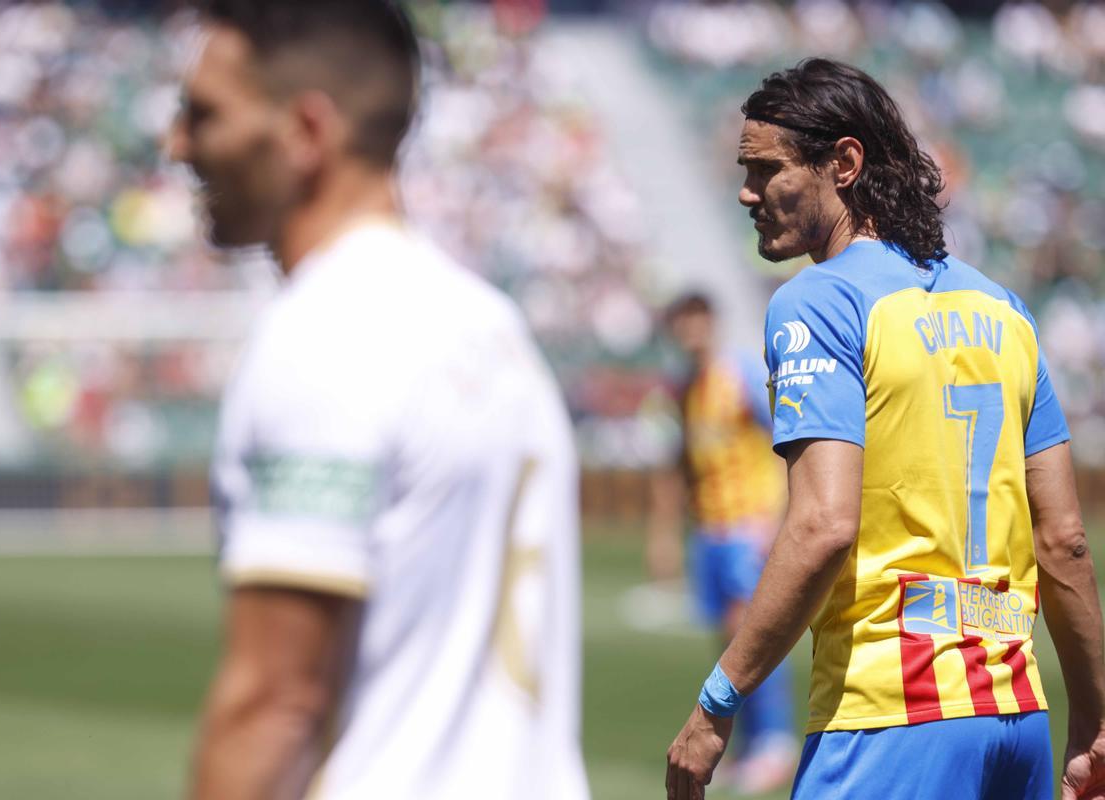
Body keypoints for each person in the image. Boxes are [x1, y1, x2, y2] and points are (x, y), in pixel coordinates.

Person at [170, 3, 589, 799]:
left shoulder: (327, 333)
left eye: (204, 115)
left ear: (304, 130)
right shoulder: (488, 325)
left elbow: (275, 702)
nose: (178, 144)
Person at [665, 58, 1105, 800]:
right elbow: (1063, 541)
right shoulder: (1005, 311)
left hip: (892, 715)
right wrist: (1093, 724)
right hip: (1017, 717)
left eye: (766, 170)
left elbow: (823, 526)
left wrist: (716, 706)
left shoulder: (818, 302)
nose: (747, 193)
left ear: (843, 163)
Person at [646, 292, 795, 794]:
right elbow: (681, 462)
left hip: (745, 524)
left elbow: (783, 437)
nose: (689, 333)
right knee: (726, 639)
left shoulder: (741, 376)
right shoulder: (684, 389)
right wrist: (667, 531)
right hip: (709, 528)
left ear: (710, 323)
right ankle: (753, 745)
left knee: (747, 631)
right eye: (680, 324)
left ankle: (775, 740)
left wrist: (773, 517)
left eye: (696, 322)